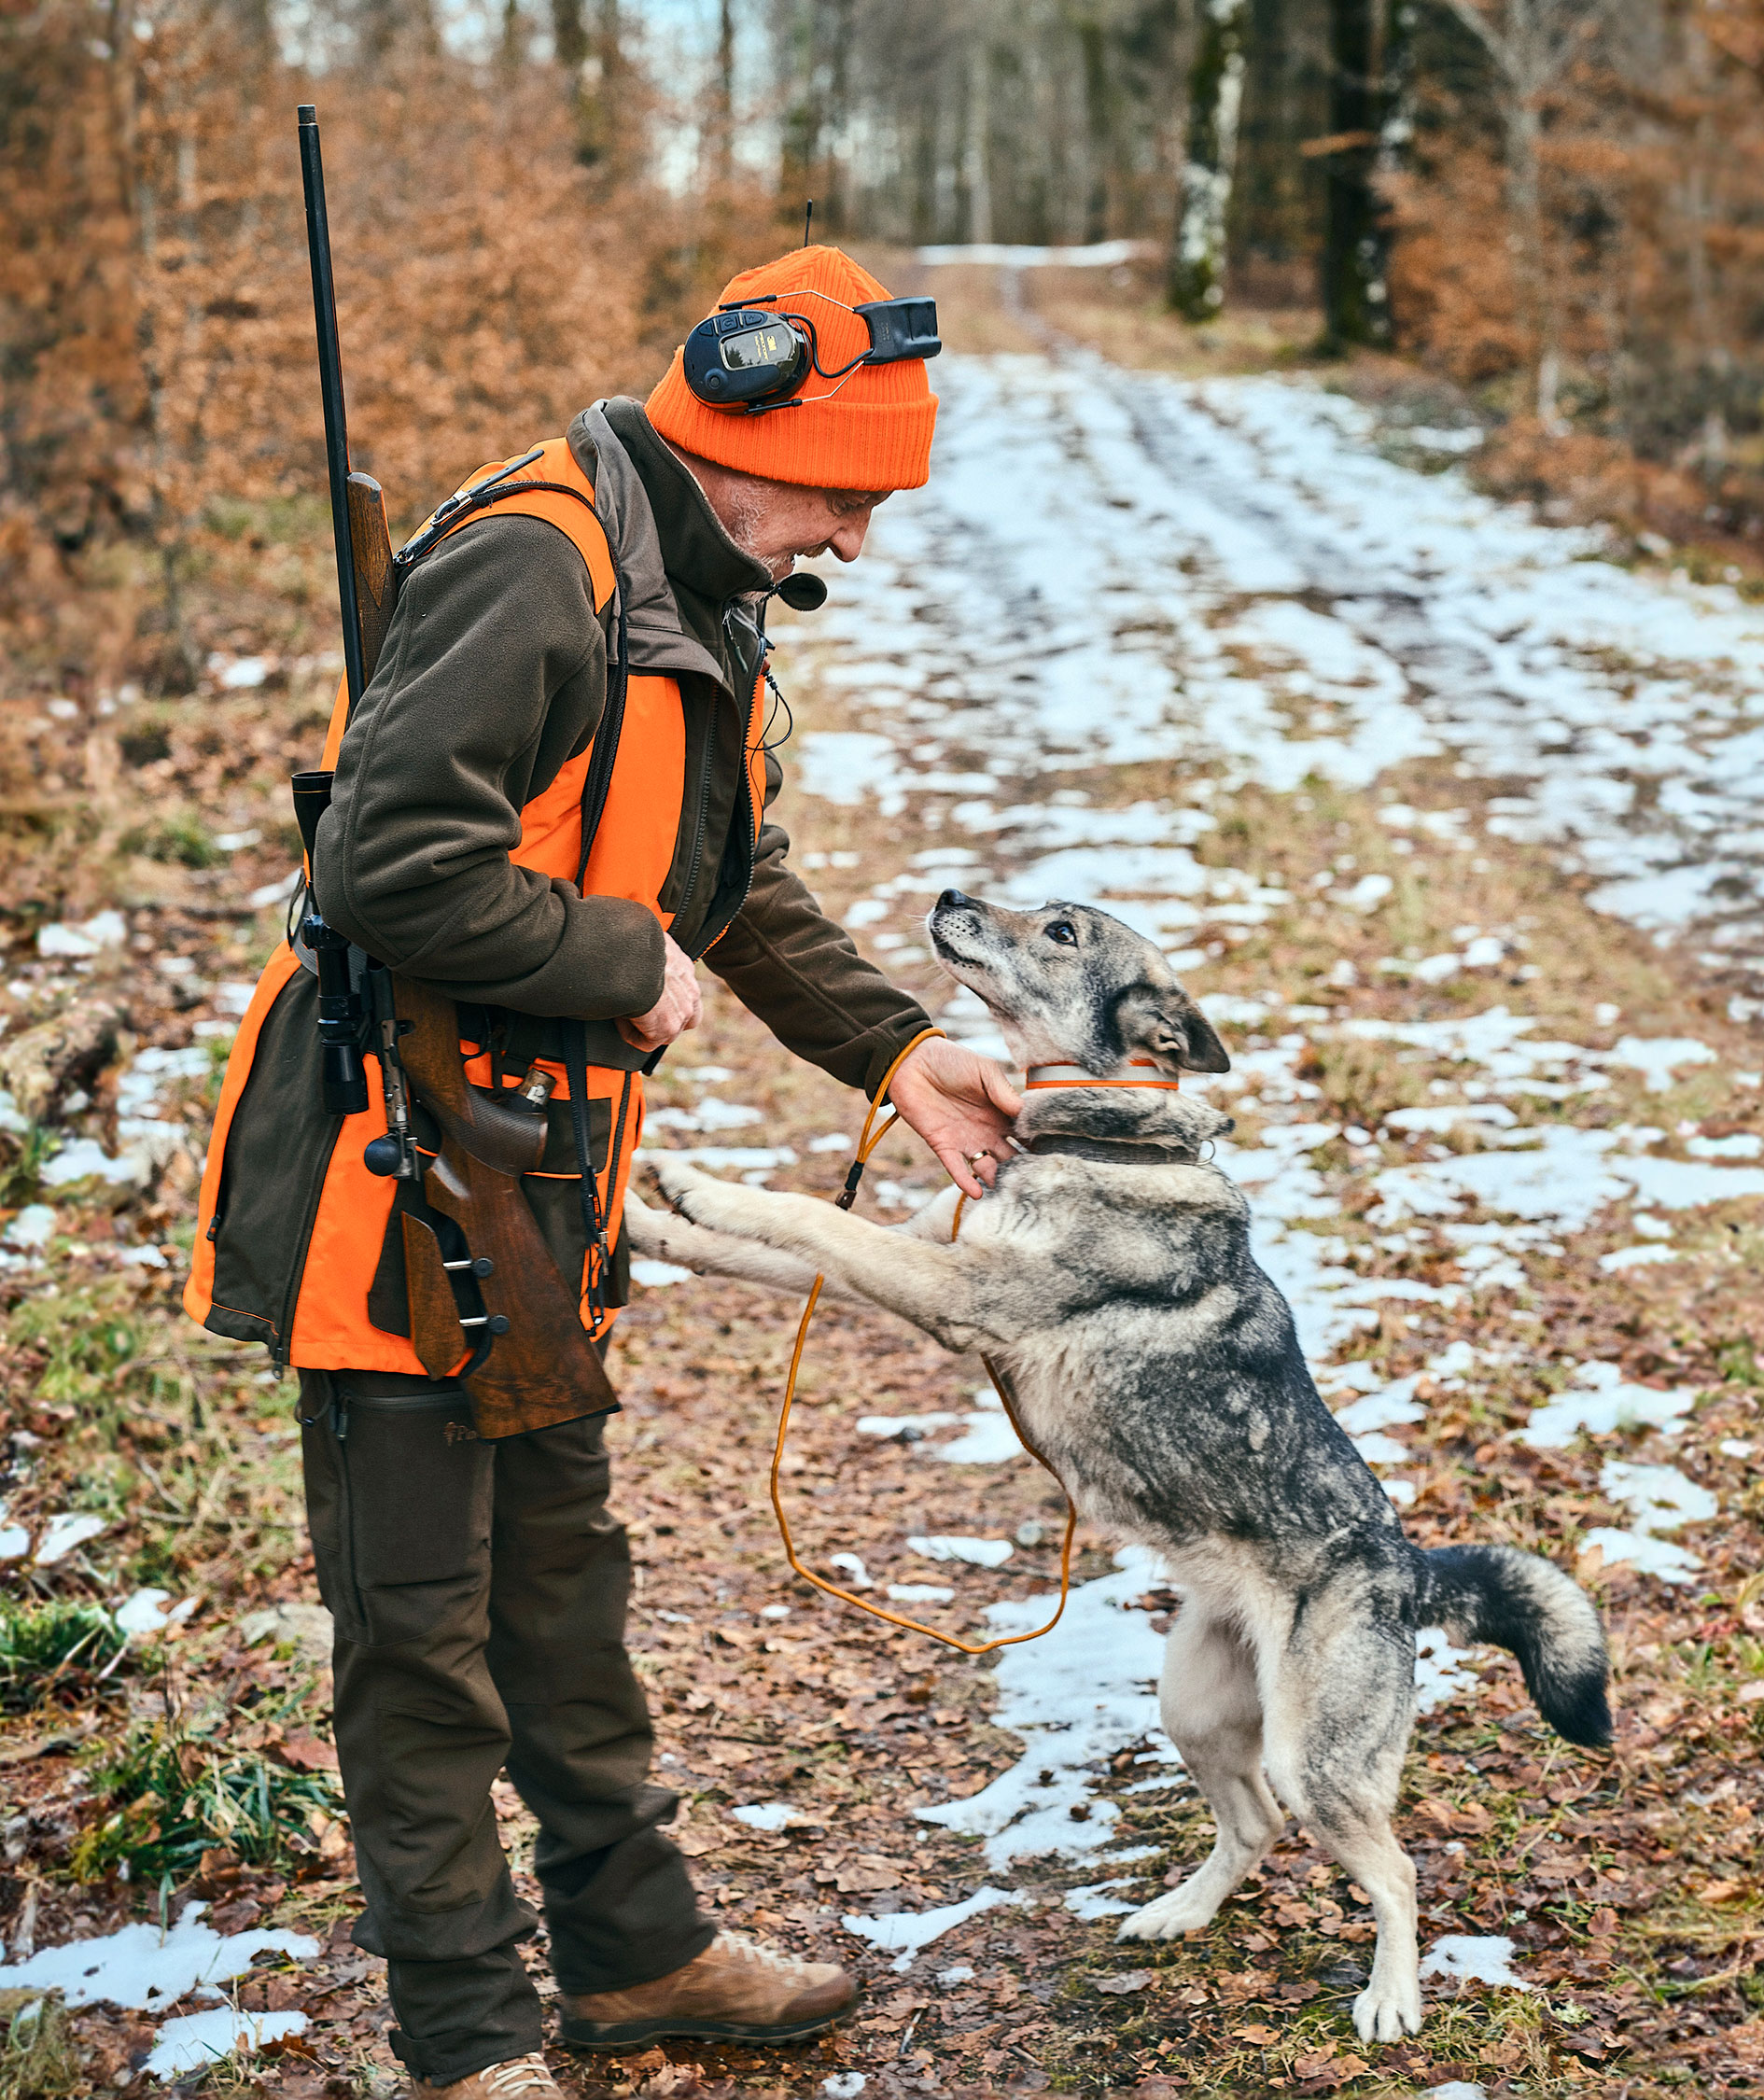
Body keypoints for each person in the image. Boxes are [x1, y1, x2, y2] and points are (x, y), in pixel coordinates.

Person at [183, 244, 1018, 2100]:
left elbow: (720, 875)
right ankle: (470, 2045)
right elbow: (385, 873)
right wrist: (614, 967)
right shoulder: (534, 570)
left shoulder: (696, 579)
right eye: (850, 496)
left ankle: (636, 1962)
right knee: (420, 1645)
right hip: (388, 1188)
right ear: (738, 432)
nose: (860, 543)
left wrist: (897, 1046)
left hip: (533, 1180)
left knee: (561, 1588)